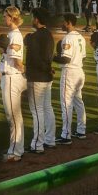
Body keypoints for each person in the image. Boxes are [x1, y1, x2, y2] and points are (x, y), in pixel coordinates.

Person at [25, 8, 57, 154]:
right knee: (47, 108)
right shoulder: (48, 35)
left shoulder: (36, 36)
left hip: (37, 77)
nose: (32, 19)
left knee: (37, 111)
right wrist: (48, 69)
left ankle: (38, 144)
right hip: (46, 77)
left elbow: (37, 59)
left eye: (33, 17)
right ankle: (50, 139)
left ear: (37, 19)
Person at [0, 6, 28, 162]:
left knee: (13, 117)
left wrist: (23, 72)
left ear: (12, 17)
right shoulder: (12, 34)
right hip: (9, 77)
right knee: (14, 117)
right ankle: (16, 149)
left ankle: (15, 152)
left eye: (5, 15)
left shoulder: (15, 36)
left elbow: (17, 62)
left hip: (11, 78)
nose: (3, 18)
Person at [54, 13, 87, 143]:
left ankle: (66, 134)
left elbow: (66, 59)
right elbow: (83, 56)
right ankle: (81, 130)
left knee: (66, 103)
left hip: (70, 73)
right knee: (78, 101)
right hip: (79, 71)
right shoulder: (80, 37)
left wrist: (52, 57)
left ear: (68, 23)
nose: (61, 24)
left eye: (63, 22)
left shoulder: (68, 38)